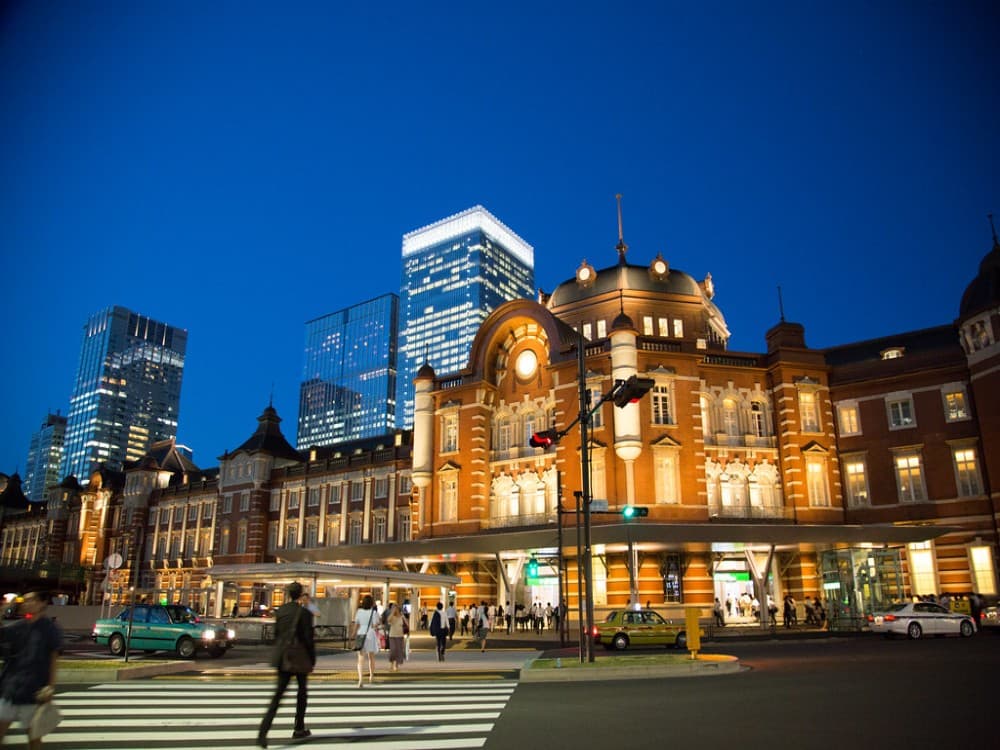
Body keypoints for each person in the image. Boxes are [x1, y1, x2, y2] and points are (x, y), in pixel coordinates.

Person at [0, 590, 62, 750]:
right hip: (11, 689)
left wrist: (50, 686)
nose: (26, 603)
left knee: (34, 739)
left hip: (33, 693)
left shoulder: (49, 629)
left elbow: (54, 658)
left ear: (42, 604)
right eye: (25, 601)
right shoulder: (18, 627)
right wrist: (3, 610)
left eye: (31, 600)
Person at [257, 582, 315, 748]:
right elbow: (308, 639)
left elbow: (276, 635)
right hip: (299, 656)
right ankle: (299, 727)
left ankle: (263, 732)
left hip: (283, 656)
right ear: (301, 594)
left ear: (289, 594)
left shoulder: (281, 611)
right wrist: (312, 658)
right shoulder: (305, 613)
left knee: (278, 695)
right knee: (302, 692)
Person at [350, 594, 380, 687]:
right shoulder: (373, 613)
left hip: (361, 634)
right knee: (371, 657)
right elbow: (375, 625)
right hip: (370, 634)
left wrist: (353, 634)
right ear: (371, 603)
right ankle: (371, 676)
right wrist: (376, 626)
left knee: (360, 658)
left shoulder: (359, 612)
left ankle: (360, 680)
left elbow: (356, 625)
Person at [385, 603, 406, 672]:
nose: (395, 610)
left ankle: (396, 665)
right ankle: (391, 662)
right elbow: (388, 620)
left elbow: (406, 624)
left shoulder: (401, 616)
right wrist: (392, 612)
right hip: (392, 635)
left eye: (396, 608)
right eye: (393, 608)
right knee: (393, 650)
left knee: (399, 651)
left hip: (400, 635)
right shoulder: (391, 616)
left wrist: (404, 618)